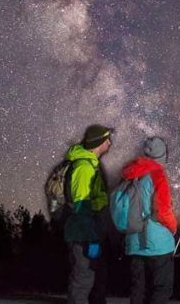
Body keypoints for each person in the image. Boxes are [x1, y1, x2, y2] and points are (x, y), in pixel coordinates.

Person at [121, 137, 178, 304]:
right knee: (161, 289)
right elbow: (163, 210)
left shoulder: (129, 174)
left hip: (133, 241)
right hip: (158, 245)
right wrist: (173, 227)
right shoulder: (158, 175)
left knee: (138, 289)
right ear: (162, 156)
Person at [64, 124, 112, 304]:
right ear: (98, 142)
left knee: (96, 278)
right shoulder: (84, 168)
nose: (110, 142)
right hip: (83, 234)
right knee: (83, 280)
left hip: (91, 231)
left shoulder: (92, 165)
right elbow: (81, 206)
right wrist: (91, 238)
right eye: (107, 139)